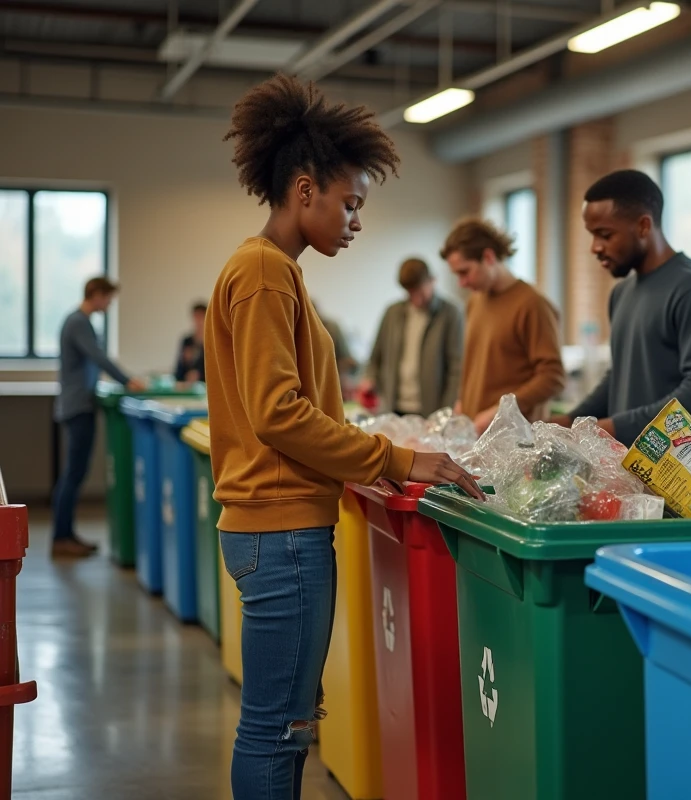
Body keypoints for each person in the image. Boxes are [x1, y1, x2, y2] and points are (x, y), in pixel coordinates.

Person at [207, 74, 483, 800]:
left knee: (284, 724)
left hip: (278, 529)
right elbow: (278, 414)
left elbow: (294, 412)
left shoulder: (273, 273)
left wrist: (358, 461)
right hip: (282, 535)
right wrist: (396, 456)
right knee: (278, 729)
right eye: (350, 204)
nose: (356, 222)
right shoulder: (265, 273)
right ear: (305, 191)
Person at [551, 170, 691, 446]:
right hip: (635, 472)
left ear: (643, 226)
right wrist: (572, 421)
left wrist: (612, 427)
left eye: (604, 235)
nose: (595, 247)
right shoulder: (621, 293)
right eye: (592, 235)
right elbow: (620, 377)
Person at [442, 218, 565, 433]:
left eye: (464, 272)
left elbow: (553, 377)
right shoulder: (475, 301)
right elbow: (479, 364)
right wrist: (463, 403)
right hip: (477, 434)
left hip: (514, 439)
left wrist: (502, 411)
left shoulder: (533, 304)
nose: (462, 283)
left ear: (488, 257)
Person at [53, 277, 146, 558]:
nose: (109, 304)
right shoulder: (78, 321)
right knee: (73, 473)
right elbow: (97, 357)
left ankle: (67, 534)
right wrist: (127, 380)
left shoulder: (81, 321)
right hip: (77, 407)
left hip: (80, 404)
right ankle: (61, 537)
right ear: (95, 294)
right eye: (107, 298)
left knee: (75, 472)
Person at [360, 257, 463, 417]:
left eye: (420, 292)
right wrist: (369, 378)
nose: (416, 300)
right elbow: (376, 356)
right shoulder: (392, 313)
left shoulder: (451, 314)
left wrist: (446, 412)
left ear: (432, 280)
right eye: (410, 293)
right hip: (393, 407)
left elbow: (456, 369)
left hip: (431, 411)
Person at [175, 302, 207, 385]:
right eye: (196, 317)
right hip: (187, 386)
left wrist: (199, 375)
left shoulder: (212, 342)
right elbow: (179, 369)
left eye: (201, 317)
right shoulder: (187, 341)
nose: (198, 321)